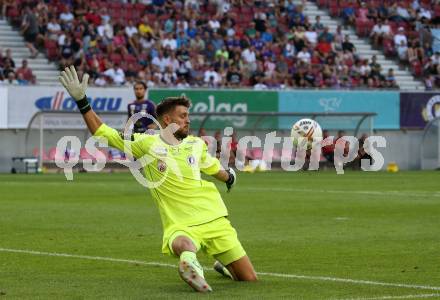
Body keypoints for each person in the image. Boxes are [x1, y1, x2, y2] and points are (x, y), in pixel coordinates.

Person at [59, 66, 257, 292]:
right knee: (182, 243)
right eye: (182, 116)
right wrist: (82, 101)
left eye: (188, 116)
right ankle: (191, 265)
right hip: (182, 222)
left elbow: (215, 169)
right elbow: (105, 133)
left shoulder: (197, 145)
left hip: (215, 218)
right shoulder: (148, 143)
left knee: (249, 280)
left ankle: (222, 266)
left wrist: (229, 177)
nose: (188, 121)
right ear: (166, 120)